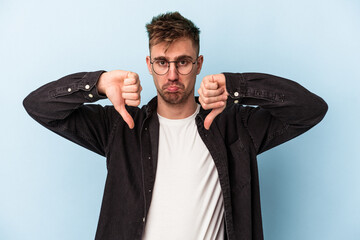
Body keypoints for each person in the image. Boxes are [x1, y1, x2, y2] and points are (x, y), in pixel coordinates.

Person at [23, 11, 327, 240]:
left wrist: (236, 86)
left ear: (198, 63)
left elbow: (310, 110)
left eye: (182, 62)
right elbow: (38, 106)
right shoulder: (121, 127)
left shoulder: (236, 126)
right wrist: (98, 84)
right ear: (149, 64)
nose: (172, 75)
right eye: (162, 62)